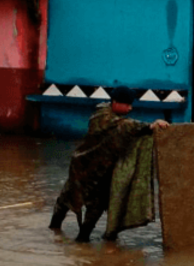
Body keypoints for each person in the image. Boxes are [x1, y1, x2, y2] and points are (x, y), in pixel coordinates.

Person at [48, 86, 169, 242]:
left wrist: (149, 128)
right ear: (115, 102)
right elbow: (125, 126)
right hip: (83, 167)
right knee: (65, 200)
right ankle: (53, 230)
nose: (130, 108)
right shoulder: (101, 116)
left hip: (102, 171)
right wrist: (150, 126)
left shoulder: (115, 119)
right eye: (127, 104)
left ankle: (82, 242)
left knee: (95, 209)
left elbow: (126, 129)